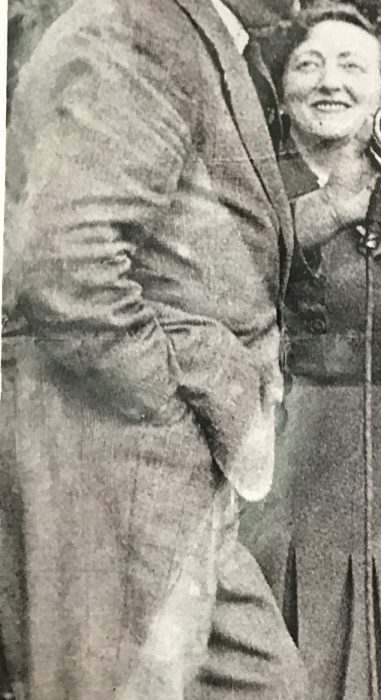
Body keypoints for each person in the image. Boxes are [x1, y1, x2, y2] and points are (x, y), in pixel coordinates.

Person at [0, 0, 304, 696]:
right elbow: (68, 260)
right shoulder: (142, 27)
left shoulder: (206, 38)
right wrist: (163, 411)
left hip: (157, 452)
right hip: (112, 444)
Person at [236, 5, 381, 699]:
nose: (330, 83)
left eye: (352, 66)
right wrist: (338, 208)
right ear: (281, 85)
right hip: (268, 447)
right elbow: (233, 272)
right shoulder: (247, 177)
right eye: (309, 64)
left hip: (378, 459)